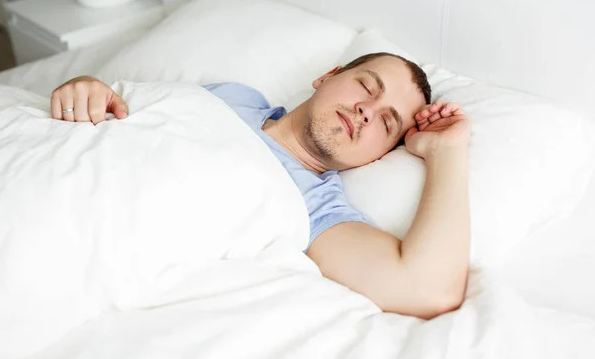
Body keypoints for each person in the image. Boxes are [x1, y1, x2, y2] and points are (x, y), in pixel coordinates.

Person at [51, 52, 471, 320]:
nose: (366, 111)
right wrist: (87, 87)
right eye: (366, 87)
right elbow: (135, 116)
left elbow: (427, 289)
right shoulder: (236, 97)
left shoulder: (315, 208)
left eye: (386, 122)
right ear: (327, 76)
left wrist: (446, 152)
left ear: (381, 155)